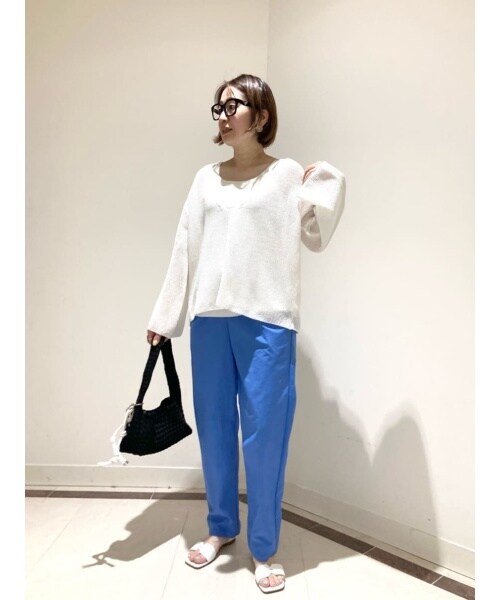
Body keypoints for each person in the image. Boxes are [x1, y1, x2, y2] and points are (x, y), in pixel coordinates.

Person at [146, 73, 346, 593]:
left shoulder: (285, 175)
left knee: (265, 437)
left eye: (232, 105)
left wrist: (327, 182)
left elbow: (315, 237)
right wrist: (165, 317)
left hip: (267, 321)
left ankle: (264, 547)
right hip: (210, 320)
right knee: (214, 428)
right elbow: (185, 246)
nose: (223, 115)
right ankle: (220, 528)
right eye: (218, 108)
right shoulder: (205, 179)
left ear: (261, 114)